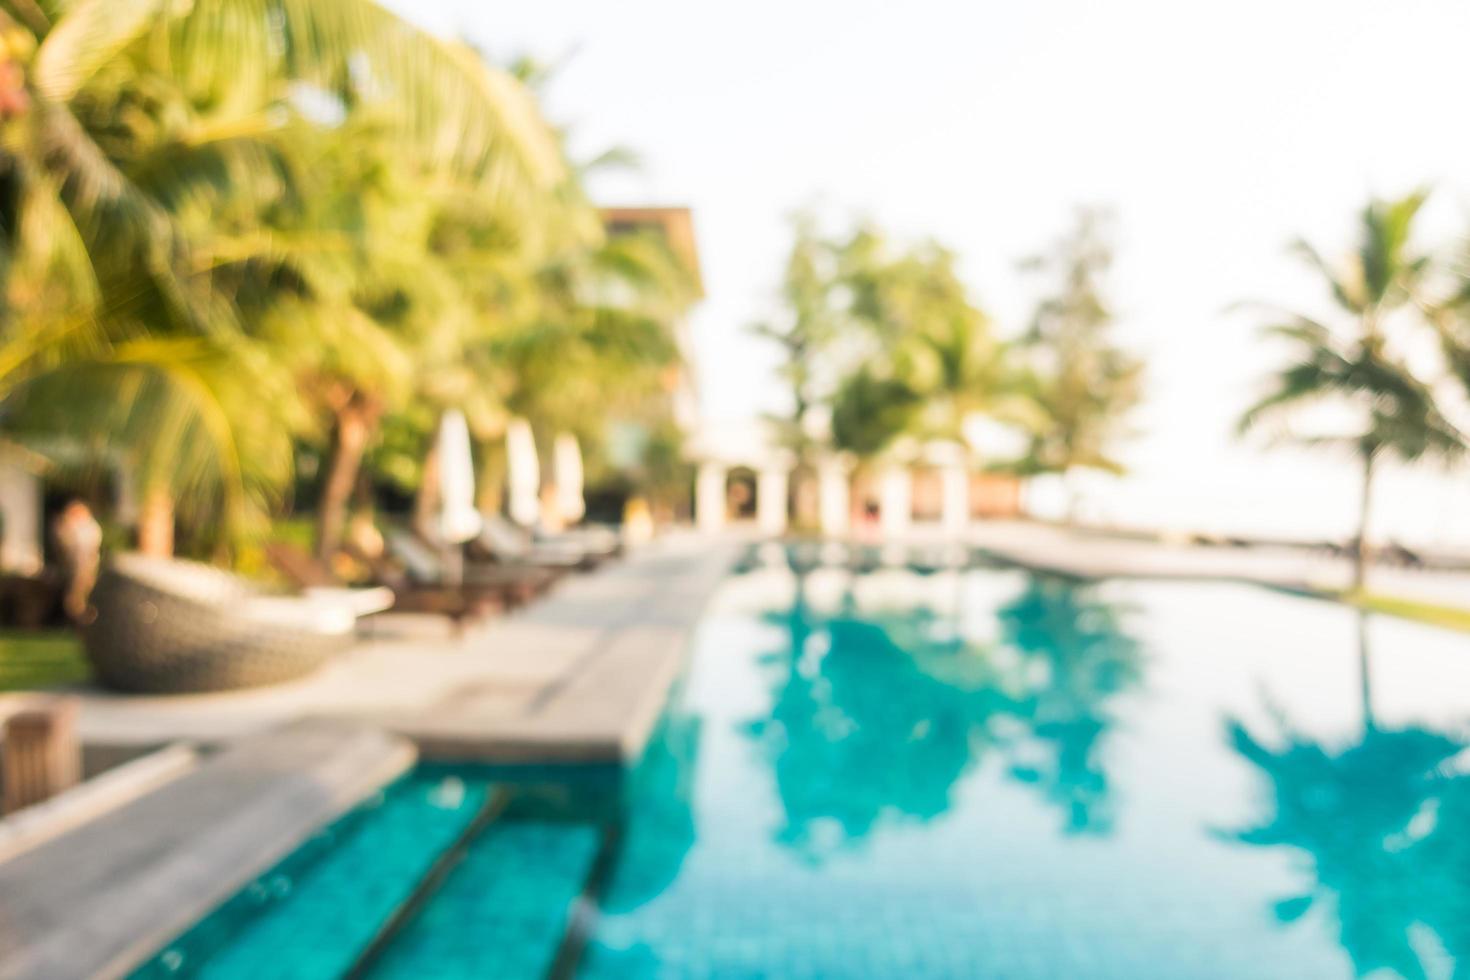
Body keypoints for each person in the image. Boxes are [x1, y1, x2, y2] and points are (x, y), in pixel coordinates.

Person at [52, 499, 101, 621]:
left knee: (85, 590)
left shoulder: (88, 526)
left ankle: (83, 614)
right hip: (75, 566)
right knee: (75, 592)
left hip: (87, 564)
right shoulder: (68, 527)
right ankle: (74, 616)